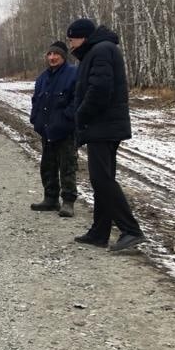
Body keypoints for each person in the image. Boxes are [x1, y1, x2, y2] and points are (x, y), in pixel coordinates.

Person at [66, 18, 145, 252]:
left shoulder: (101, 51)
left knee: (102, 179)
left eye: (72, 40)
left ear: (83, 38)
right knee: (102, 178)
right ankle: (100, 232)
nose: (70, 45)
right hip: (104, 126)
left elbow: (99, 90)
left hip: (103, 126)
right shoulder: (99, 50)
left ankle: (130, 230)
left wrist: (80, 115)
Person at [29, 41, 78, 217]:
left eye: (56, 54)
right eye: (49, 54)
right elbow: (36, 100)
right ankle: (50, 199)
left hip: (65, 130)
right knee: (47, 165)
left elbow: (77, 100)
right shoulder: (43, 77)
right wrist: (35, 118)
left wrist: (67, 119)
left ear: (63, 56)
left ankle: (68, 201)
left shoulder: (73, 74)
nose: (52, 57)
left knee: (67, 165)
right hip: (46, 129)